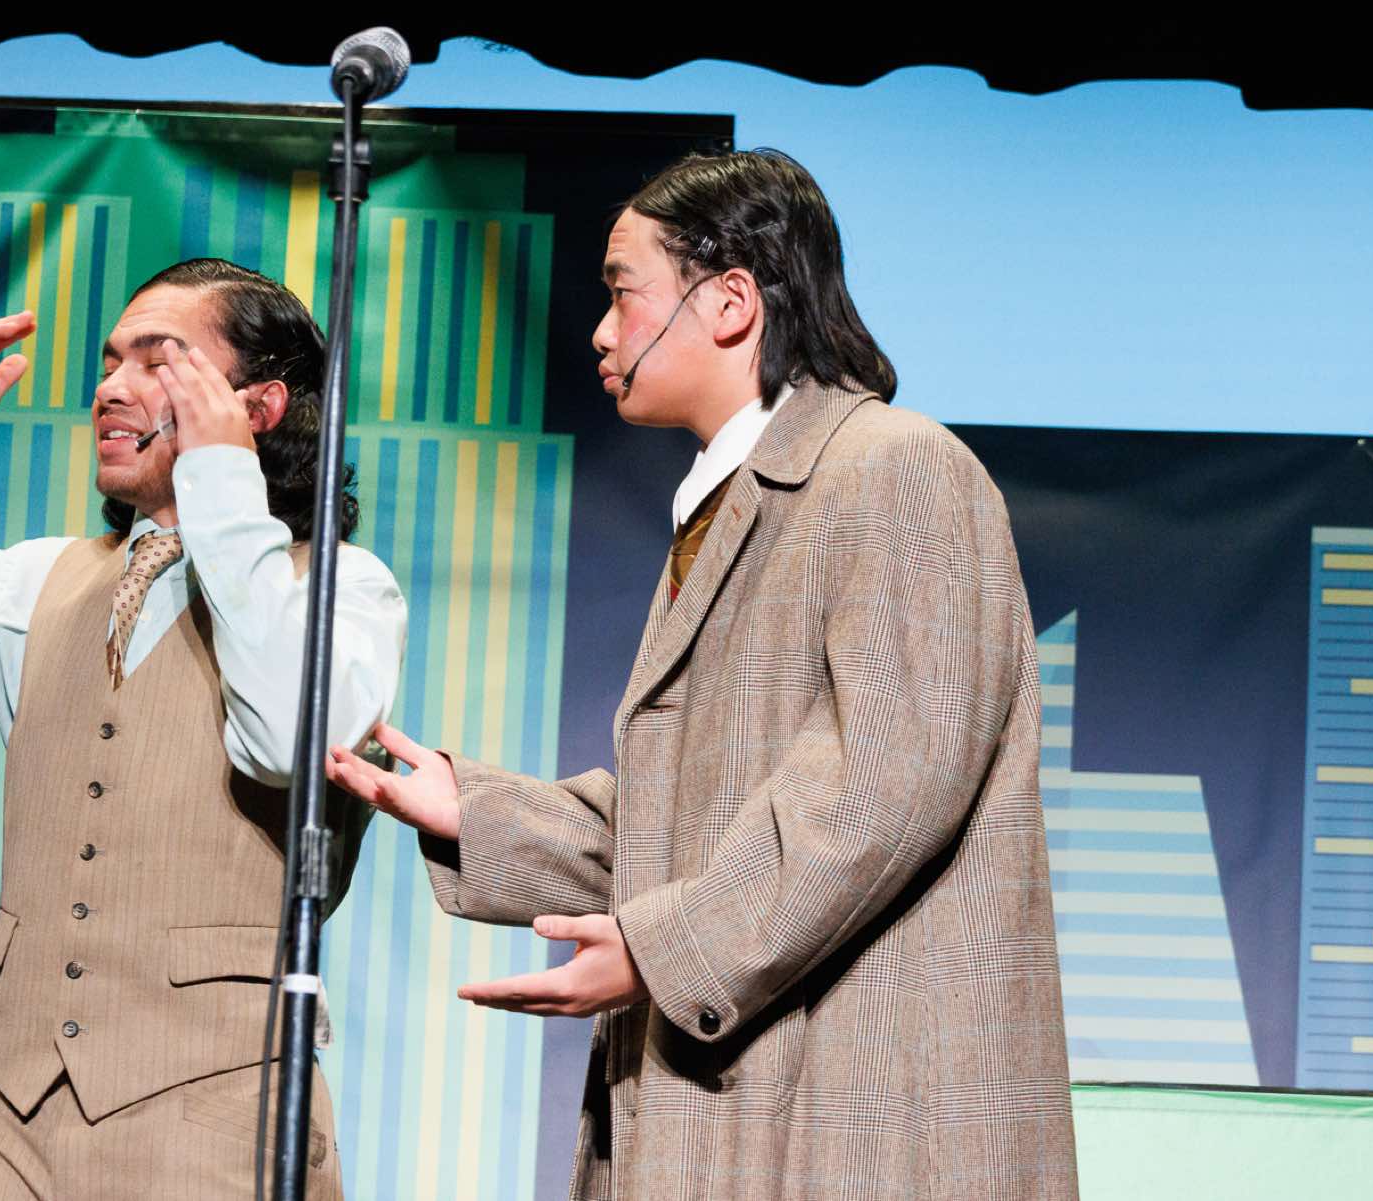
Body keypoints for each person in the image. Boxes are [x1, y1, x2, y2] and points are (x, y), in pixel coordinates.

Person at [327, 151, 1077, 1199]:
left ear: (729, 303)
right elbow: (694, 826)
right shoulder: (729, 502)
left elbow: (880, 787)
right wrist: (479, 812)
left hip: (850, 1114)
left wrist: (659, 952)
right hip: (739, 1099)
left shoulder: (895, 467)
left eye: (623, 292)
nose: (601, 332)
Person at [0, 258, 407, 1199]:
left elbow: (282, 743)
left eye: (159, 361)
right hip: (2, 1120)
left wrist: (223, 484)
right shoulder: (39, 584)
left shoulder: (342, 589)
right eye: (110, 362)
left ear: (260, 406)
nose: (110, 387)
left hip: (217, 1120)